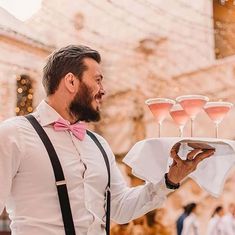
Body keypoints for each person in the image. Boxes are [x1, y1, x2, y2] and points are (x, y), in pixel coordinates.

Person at [0, 45, 215, 235]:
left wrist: (170, 180)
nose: (103, 91)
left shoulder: (97, 144)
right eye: (97, 80)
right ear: (71, 81)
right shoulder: (14, 134)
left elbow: (121, 208)